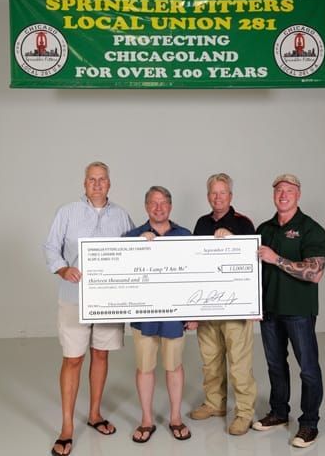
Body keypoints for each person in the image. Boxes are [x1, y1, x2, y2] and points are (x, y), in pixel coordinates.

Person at [44, 162, 134, 456]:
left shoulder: (122, 216)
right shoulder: (67, 212)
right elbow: (50, 247)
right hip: (74, 297)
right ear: (84, 184)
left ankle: (94, 414)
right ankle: (67, 427)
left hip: (109, 301)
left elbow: (134, 253)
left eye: (102, 179)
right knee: (72, 359)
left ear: (110, 183)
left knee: (100, 353)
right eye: (91, 180)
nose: (97, 184)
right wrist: (63, 269)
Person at [253, 174, 325, 448]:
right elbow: (252, 272)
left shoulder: (311, 229)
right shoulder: (265, 228)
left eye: (289, 190)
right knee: (275, 365)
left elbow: (315, 273)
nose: (283, 194)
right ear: (274, 194)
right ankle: (279, 412)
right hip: (270, 311)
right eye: (279, 190)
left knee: (307, 369)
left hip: (298, 311)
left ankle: (309, 424)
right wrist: (253, 304)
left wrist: (278, 259)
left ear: (298, 195)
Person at [126, 186, 198, 443]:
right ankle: (146, 420)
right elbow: (122, 276)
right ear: (146, 207)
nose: (158, 208)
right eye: (153, 203)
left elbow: (194, 277)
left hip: (174, 315)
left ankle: (176, 418)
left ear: (170, 206)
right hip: (144, 315)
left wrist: (194, 313)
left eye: (163, 203)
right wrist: (137, 247)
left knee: (174, 366)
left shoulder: (185, 235)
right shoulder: (131, 236)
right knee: (145, 368)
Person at [190, 173, 257, 436]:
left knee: (239, 363)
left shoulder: (244, 224)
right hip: (206, 306)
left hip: (235, 307)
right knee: (211, 361)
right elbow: (193, 264)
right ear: (208, 196)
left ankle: (244, 412)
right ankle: (215, 404)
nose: (218, 197)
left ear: (231, 195)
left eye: (223, 192)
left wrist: (232, 238)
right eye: (213, 193)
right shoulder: (201, 223)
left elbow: (253, 263)